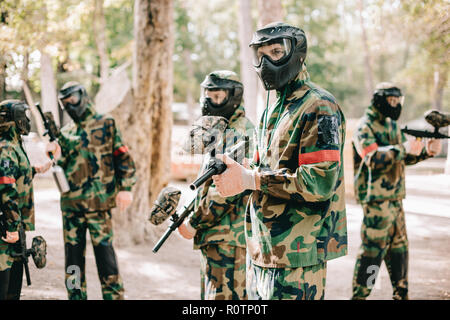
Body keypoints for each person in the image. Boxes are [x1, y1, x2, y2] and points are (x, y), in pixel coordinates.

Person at [212, 22, 348, 300]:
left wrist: (251, 179)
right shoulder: (274, 108)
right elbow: (267, 169)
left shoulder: (319, 106)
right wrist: (239, 173)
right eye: (260, 54)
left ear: (297, 52)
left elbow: (319, 181)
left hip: (297, 254)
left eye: (275, 51)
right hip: (263, 248)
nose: (265, 62)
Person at [351, 82, 442, 300]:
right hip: (376, 204)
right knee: (372, 255)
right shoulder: (365, 127)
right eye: (391, 101)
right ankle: (360, 296)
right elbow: (372, 157)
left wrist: (426, 153)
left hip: (395, 200)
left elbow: (403, 157)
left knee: (400, 252)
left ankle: (401, 294)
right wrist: (403, 148)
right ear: (380, 100)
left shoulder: (392, 126)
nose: (395, 105)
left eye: (398, 101)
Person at [47, 82, 137, 300]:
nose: (70, 105)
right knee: (73, 261)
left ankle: (114, 297)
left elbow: (123, 157)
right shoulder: (65, 132)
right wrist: (52, 154)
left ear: (83, 96)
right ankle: (75, 297)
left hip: (99, 204)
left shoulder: (106, 123)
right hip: (71, 207)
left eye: (73, 99)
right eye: (65, 103)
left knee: (105, 256)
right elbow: (62, 165)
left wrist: (126, 188)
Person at [178, 70, 255, 300]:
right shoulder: (222, 128)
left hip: (226, 235)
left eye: (218, 96)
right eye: (207, 94)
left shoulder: (237, 132)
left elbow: (224, 192)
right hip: (219, 234)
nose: (209, 101)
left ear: (233, 96)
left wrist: (193, 222)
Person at [0, 100, 52, 300]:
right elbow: (5, 185)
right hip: (6, 228)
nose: (26, 120)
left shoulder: (14, 145)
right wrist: (12, 226)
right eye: (24, 115)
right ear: (14, 119)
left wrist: (34, 169)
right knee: (5, 286)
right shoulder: (6, 147)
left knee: (14, 287)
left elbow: (14, 174)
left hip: (14, 225)